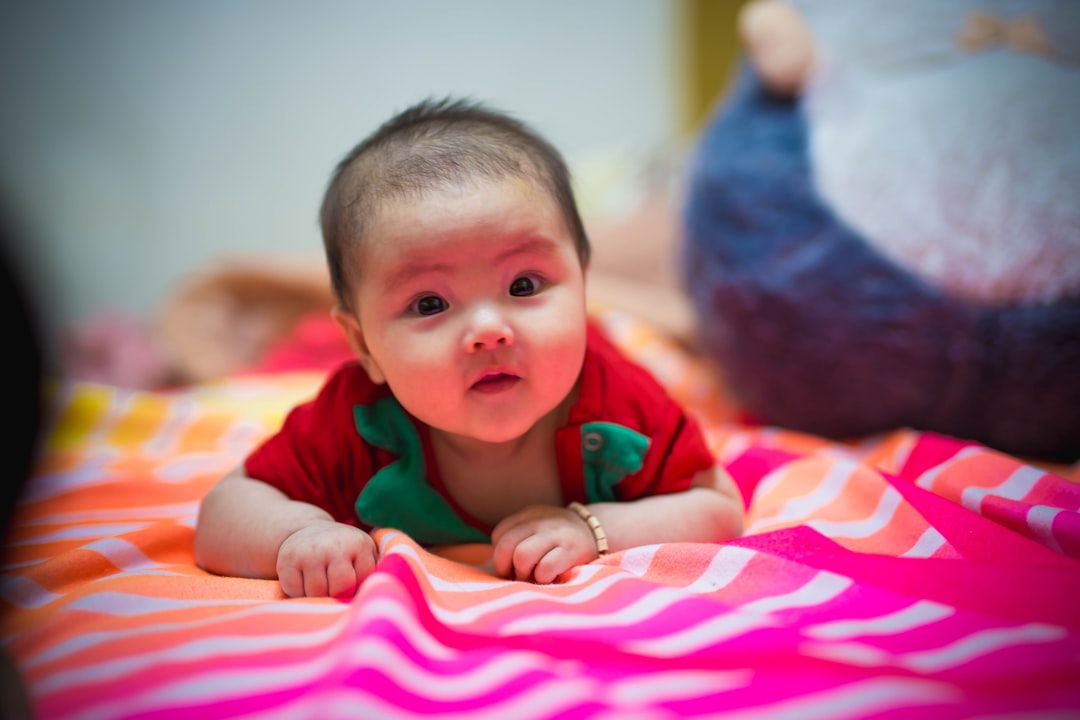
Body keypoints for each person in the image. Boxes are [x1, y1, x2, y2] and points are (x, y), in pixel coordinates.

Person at [194, 98, 743, 597]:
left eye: (524, 286)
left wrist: (594, 528)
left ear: (582, 286)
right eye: (430, 304)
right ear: (364, 345)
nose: (488, 330)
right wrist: (297, 534)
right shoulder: (355, 422)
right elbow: (224, 511)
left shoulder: (620, 407)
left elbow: (717, 506)